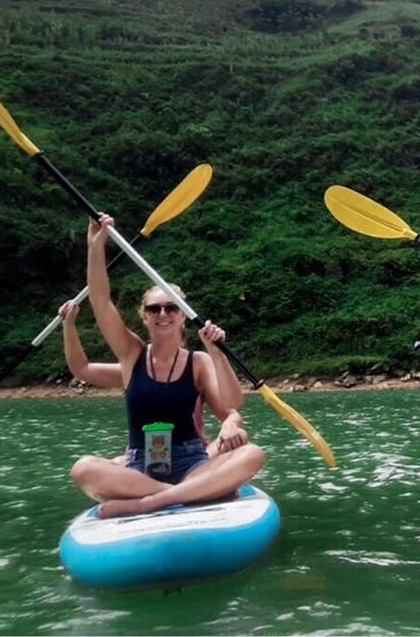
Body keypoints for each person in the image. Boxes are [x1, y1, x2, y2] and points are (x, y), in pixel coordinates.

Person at [71, 213, 265, 518]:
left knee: (252, 454)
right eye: (154, 308)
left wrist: (217, 352)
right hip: (139, 469)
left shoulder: (198, 362)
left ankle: (152, 502)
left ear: (182, 314)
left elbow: (232, 403)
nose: (163, 313)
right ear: (144, 316)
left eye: (171, 307)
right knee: (83, 468)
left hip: (192, 466)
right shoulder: (131, 354)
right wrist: (95, 247)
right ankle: (195, 495)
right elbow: (100, 301)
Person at [58, 300, 234, 458]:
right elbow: (82, 369)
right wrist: (69, 326)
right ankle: (161, 486)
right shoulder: (136, 368)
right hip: (144, 456)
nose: (167, 350)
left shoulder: (196, 366)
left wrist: (230, 425)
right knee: (101, 465)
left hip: (190, 455)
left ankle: (188, 482)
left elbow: (231, 412)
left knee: (241, 443)